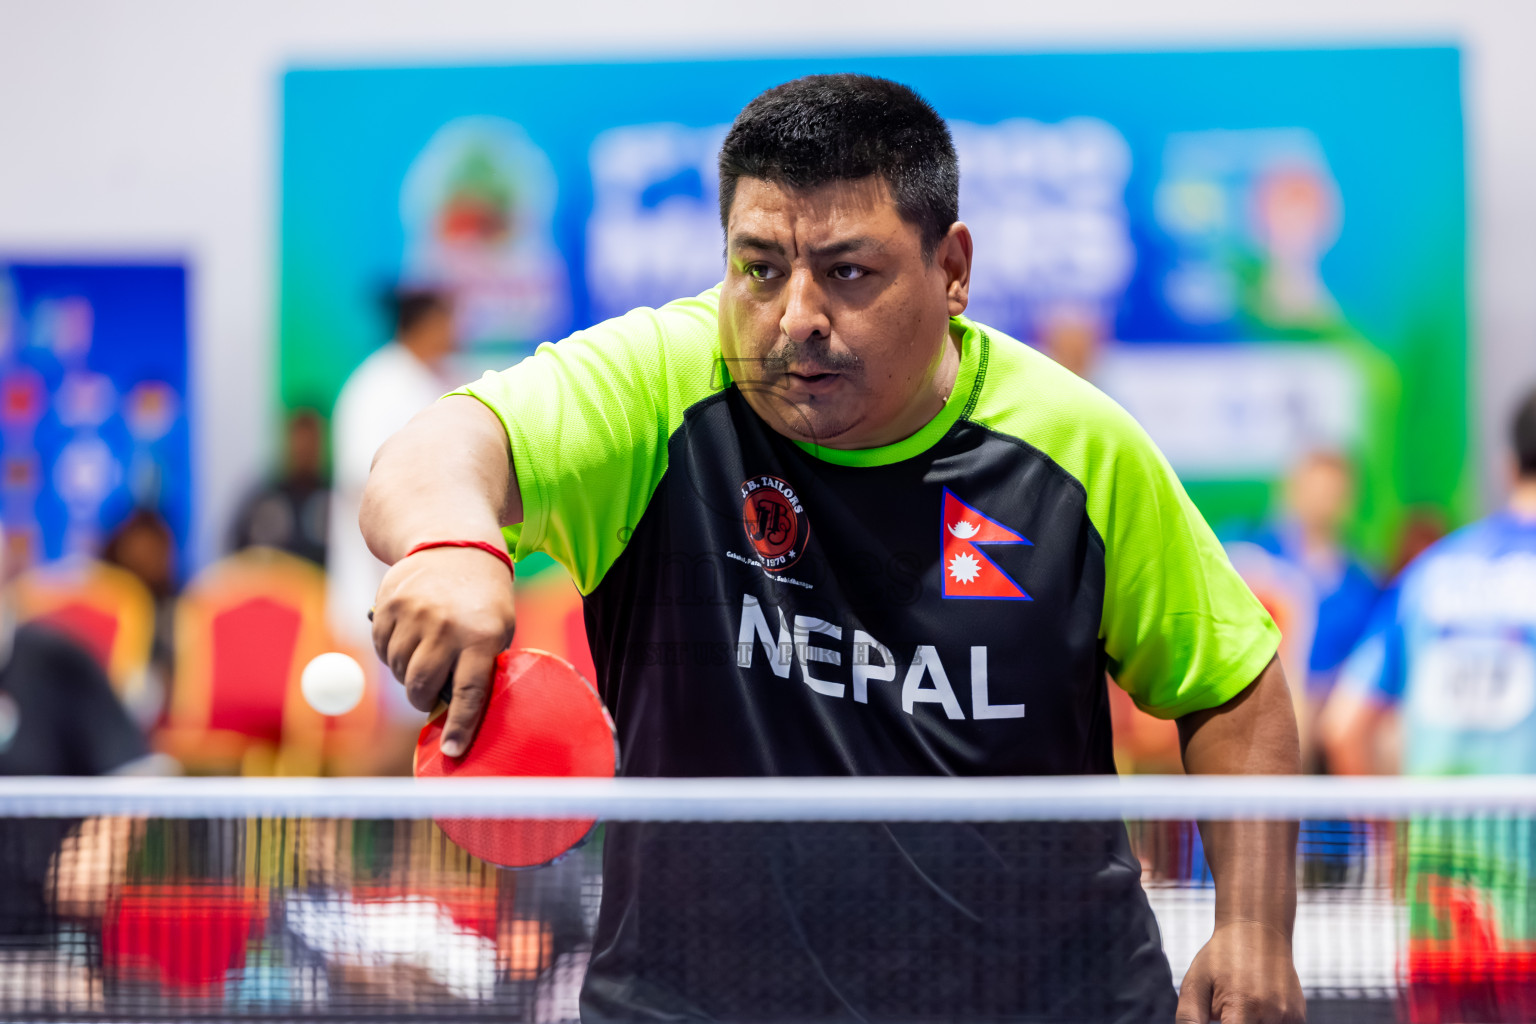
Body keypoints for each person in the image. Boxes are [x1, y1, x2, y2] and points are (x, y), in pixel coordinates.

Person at [362, 76, 1303, 1023]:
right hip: (693, 1001)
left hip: (1042, 1000)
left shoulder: (1073, 448)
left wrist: (1257, 927)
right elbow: (444, 446)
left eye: (848, 271)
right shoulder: (664, 387)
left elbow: (1229, 682)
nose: (795, 317)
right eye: (760, 268)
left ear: (953, 269)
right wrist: (451, 544)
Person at [1321, 389, 1536, 1024]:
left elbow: (1342, 727)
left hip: (1441, 909)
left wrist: (1400, 834)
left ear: (1507, 466)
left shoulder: (1433, 574)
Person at [326, 287, 458, 662]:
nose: (454, 333)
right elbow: (363, 479)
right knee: (386, 691)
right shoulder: (377, 386)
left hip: (428, 566)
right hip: (381, 568)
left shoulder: (432, 380)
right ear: (423, 325)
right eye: (446, 323)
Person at [1243, 451, 1380, 769]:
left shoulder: (1362, 585)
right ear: (1293, 491)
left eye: (1332, 493)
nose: (1322, 502)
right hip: (1257, 709)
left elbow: (1366, 669)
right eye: (1314, 489)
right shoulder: (1253, 559)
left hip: (1327, 726)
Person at [228, 408, 330, 566]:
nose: (304, 449)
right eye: (299, 441)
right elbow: (238, 549)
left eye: (310, 441)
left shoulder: (332, 500)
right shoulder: (264, 500)